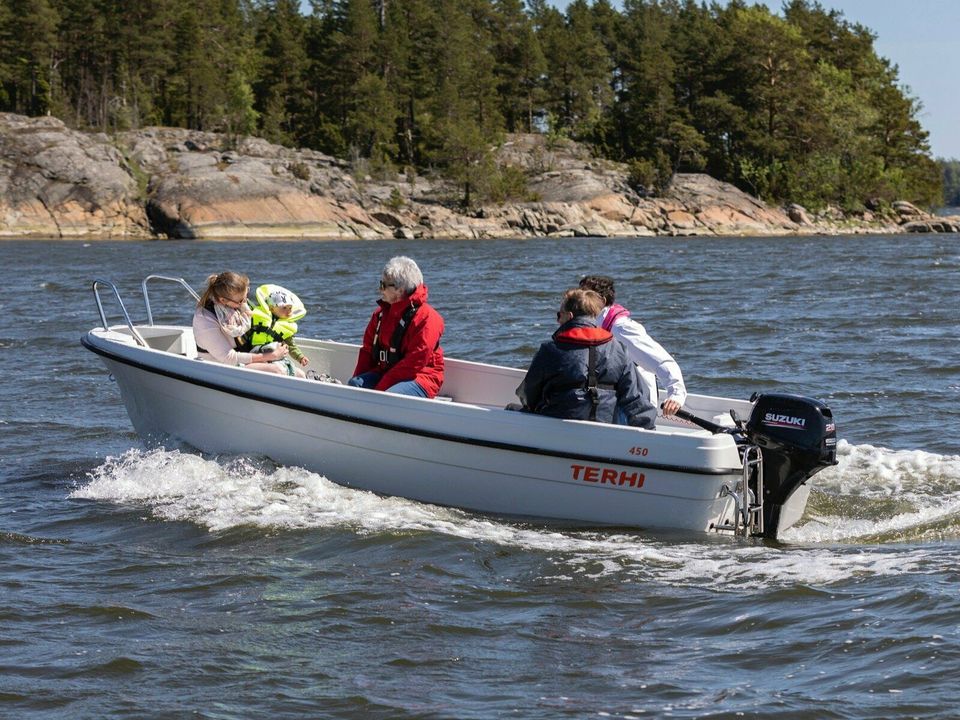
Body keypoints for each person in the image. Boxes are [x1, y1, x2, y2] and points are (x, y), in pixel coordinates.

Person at [515, 288, 657, 428]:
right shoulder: (618, 349)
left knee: (512, 409)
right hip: (604, 427)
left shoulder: (550, 350)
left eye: (559, 315)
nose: (558, 321)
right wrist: (647, 433)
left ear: (569, 316)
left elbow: (528, 394)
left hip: (558, 425)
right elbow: (635, 398)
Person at [578, 274, 686, 416]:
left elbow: (662, 361)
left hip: (636, 409)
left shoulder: (621, 328)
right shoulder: (595, 326)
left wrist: (676, 395)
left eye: (586, 295)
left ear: (602, 301)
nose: (580, 300)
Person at [348, 256, 445, 397]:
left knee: (389, 397)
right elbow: (368, 351)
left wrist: (379, 390)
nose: (380, 289)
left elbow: (414, 363)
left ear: (399, 290)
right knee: (355, 385)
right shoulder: (380, 315)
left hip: (422, 378)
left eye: (383, 285)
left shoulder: (428, 318)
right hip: (386, 371)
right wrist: (354, 390)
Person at [192, 271, 289, 374]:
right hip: (219, 367)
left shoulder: (236, 307)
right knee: (277, 371)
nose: (245, 303)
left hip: (242, 358)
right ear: (223, 300)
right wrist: (271, 356)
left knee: (297, 373)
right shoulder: (205, 319)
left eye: (246, 297)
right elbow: (228, 358)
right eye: (240, 301)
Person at [244, 283, 308, 378]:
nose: (288, 311)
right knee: (276, 360)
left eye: (290, 308)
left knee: (300, 374)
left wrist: (300, 357)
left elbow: (291, 345)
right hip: (257, 352)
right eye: (284, 308)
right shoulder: (258, 316)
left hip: (274, 355)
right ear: (271, 308)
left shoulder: (286, 326)